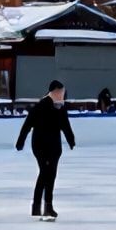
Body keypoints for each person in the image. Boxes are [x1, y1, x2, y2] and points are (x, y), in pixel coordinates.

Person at [16, 81, 75, 220]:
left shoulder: (60, 107)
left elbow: (65, 125)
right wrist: (21, 141)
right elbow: (28, 124)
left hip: (54, 148)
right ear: (54, 91)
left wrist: (70, 139)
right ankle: (41, 206)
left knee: (50, 175)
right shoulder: (41, 106)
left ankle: (44, 206)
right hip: (41, 146)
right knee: (45, 173)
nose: (63, 95)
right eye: (61, 92)